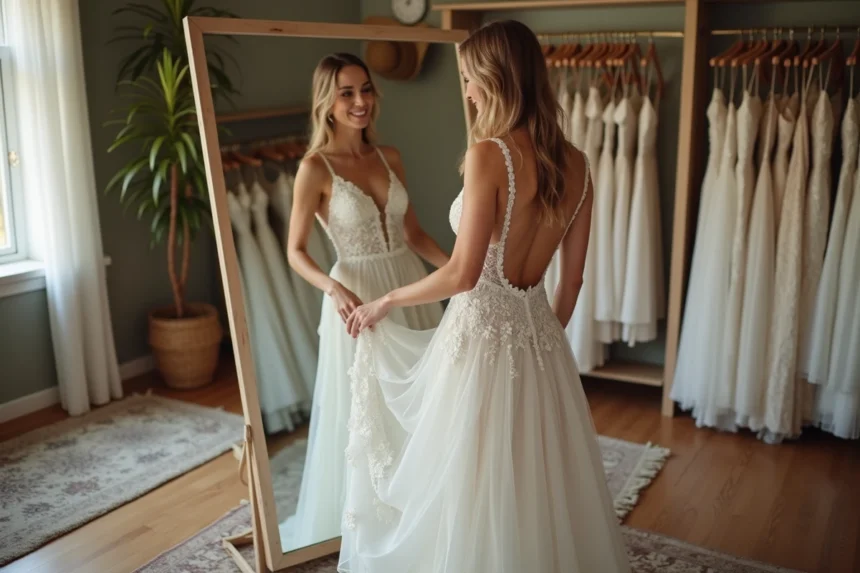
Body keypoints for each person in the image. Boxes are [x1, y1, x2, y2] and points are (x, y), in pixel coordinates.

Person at [338, 21, 631, 573]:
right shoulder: (579, 165)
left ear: (496, 79)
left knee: (469, 474)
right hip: (542, 339)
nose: (468, 91)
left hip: (479, 339)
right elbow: (571, 282)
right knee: (535, 474)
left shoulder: (488, 155)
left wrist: (387, 300)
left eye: (470, 78)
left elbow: (461, 275)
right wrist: (541, 340)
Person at [283, 52, 447, 551]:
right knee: (370, 411)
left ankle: (423, 511)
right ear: (327, 103)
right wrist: (333, 287)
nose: (360, 101)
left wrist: (460, 272)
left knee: (421, 401)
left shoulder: (390, 156)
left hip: (407, 283)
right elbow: (295, 251)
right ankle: (375, 522)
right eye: (347, 93)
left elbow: (413, 233)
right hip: (355, 297)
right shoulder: (314, 168)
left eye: (366, 89)